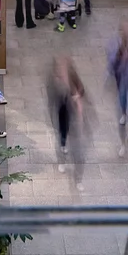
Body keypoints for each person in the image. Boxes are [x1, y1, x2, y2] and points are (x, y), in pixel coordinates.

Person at [47, 55, 88, 183]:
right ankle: (62, 158)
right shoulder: (54, 79)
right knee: (62, 134)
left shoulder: (72, 76)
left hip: (73, 111)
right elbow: (52, 97)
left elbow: (82, 89)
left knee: (73, 136)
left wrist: (77, 95)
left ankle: (68, 154)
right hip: (62, 109)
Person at [105, 22, 128, 149]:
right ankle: (123, 114)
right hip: (121, 77)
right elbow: (111, 59)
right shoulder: (116, 43)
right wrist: (122, 55)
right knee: (122, 98)